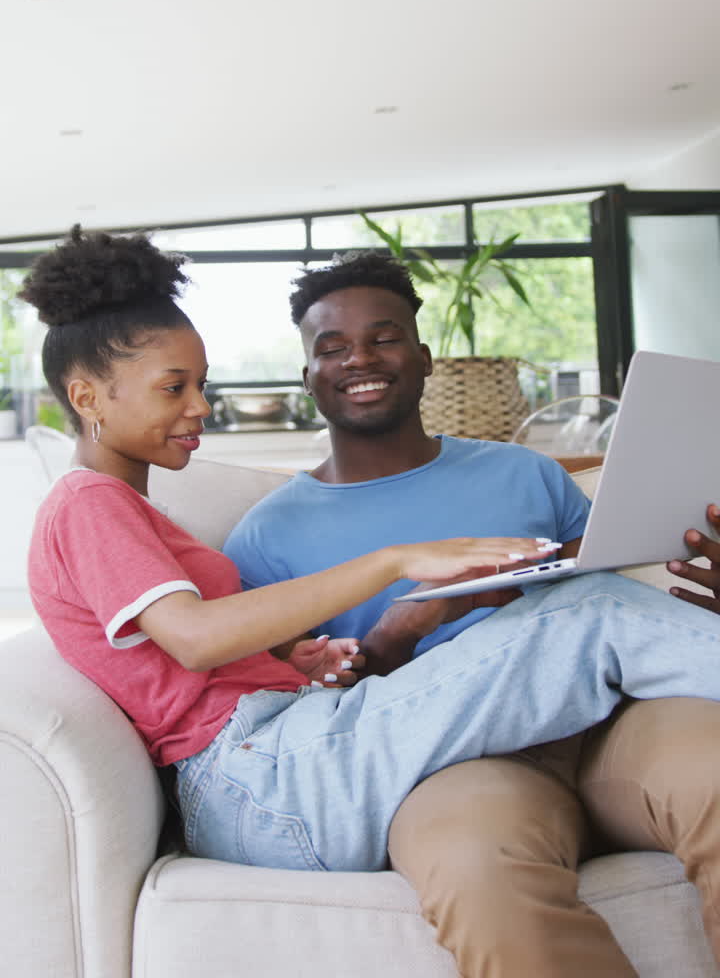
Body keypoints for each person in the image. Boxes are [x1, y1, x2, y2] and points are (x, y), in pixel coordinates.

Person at [21, 231, 720, 896]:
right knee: (589, 615)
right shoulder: (88, 504)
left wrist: (293, 664)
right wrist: (393, 561)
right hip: (258, 780)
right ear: (86, 398)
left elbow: (188, 665)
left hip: (286, 751)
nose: (200, 406)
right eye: (174, 388)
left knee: (576, 606)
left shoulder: (130, 513)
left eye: (201, 383)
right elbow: (195, 635)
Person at [224, 250, 720, 977]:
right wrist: (403, 628)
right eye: (331, 347)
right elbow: (304, 720)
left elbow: (616, 595)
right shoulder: (266, 537)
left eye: (384, 336)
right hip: (454, 762)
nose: (359, 358)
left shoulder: (524, 473)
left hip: (611, 723)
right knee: (478, 871)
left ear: (425, 359)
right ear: (308, 379)